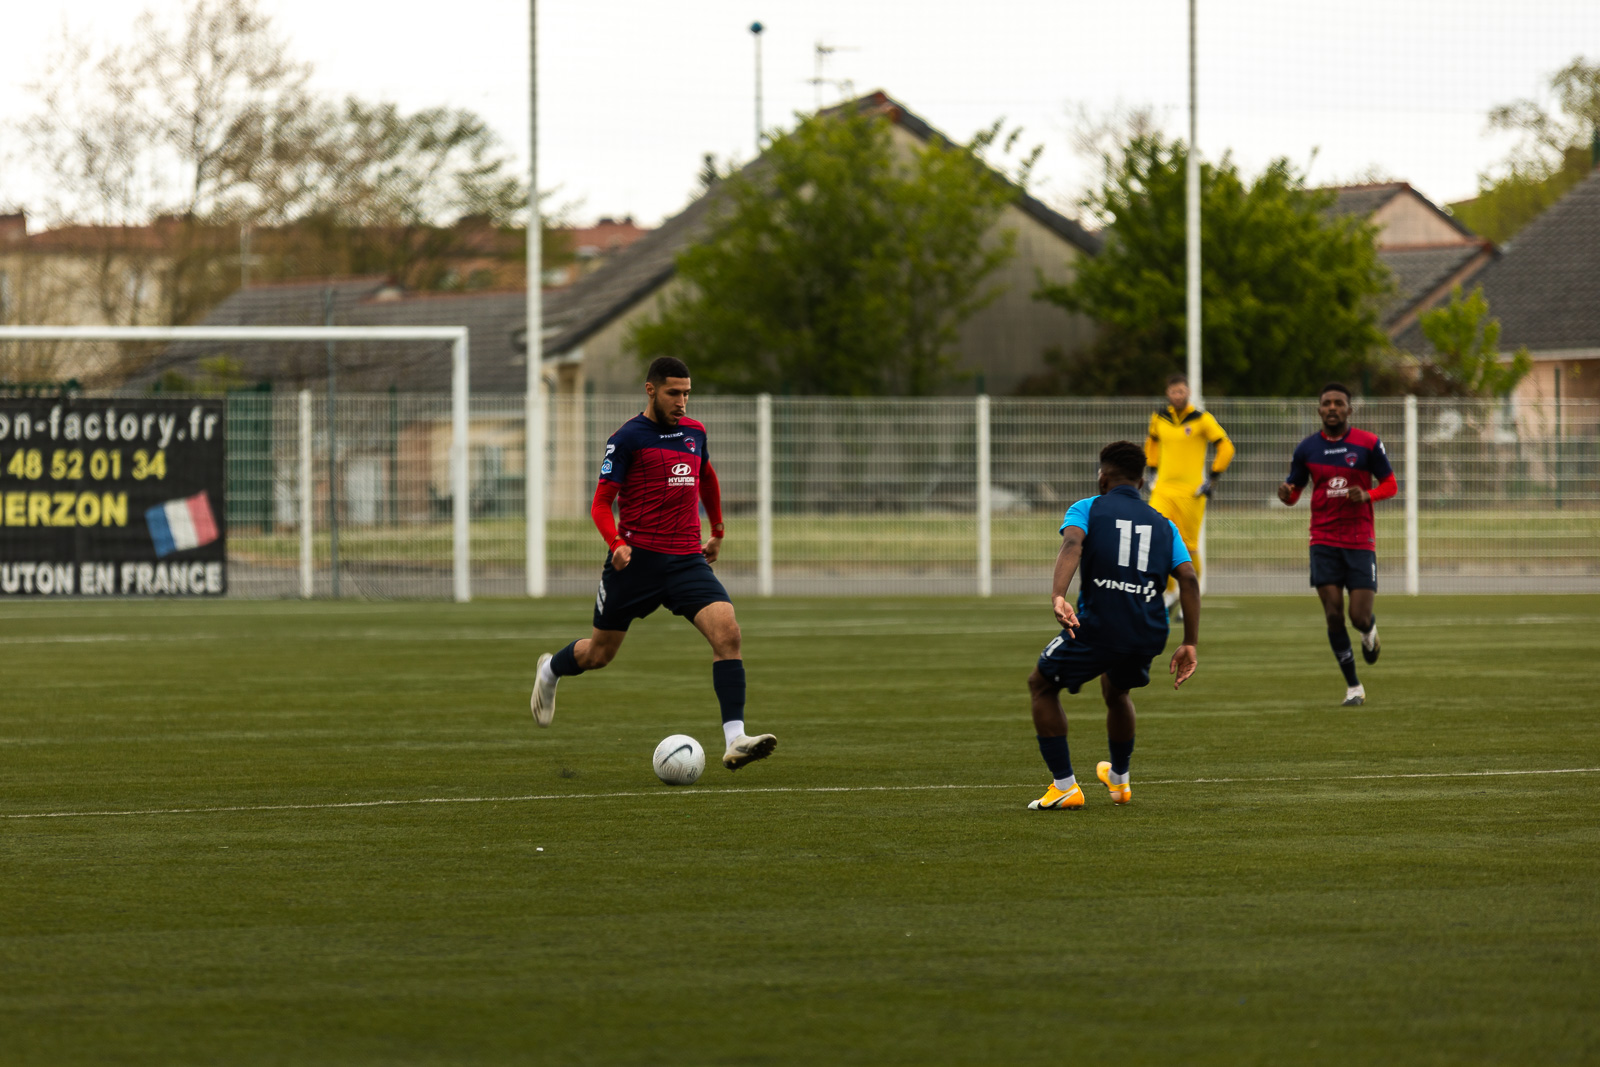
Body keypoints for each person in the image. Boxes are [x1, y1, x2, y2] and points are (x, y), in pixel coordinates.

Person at [529, 356, 778, 771]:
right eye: (673, 393)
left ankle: (735, 739)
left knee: (728, 633)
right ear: (651, 390)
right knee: (598, 655)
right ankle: (551, 670)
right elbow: (600, 503)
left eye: (686, 393)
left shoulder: (695, 432)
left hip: (686, 560)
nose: (682, 402)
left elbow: (707, 477)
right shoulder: (627, 438)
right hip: (636, 563)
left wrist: (716, 529)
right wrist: (615, 543)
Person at [1026, 441, 1201, 811]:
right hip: (1147, 632)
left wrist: (1059, 594)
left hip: (1099, 626)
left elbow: (1072, 543)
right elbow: (1188, 579)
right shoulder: (1165, 524)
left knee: (1041, 684)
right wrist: (1190, 643)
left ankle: (1064, 787)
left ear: (1102, 477)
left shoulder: (1088, 507)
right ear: (1142, 482)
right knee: (1118, 691)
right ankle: (1119, 781)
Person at [1276, 382, 1398, 707]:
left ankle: (1368, 633)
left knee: (1358, 616)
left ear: (1349, 409)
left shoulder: (1368, 443)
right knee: (1333, 615)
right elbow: (1295, 489)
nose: (1332, 408)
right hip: (1323, 539)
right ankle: (1353, 686)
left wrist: (1368, 495)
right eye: (1327, 403)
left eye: (1338, 403)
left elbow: (1391, 484)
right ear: (1319, 410)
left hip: (1360, 540)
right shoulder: (1306, 449)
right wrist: (1286, 494)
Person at [1145, 372, 1234, 614]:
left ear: (1189, 392)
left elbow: (1226, 446)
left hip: (1191, 493)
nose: (1178, 395)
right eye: (1174, 391)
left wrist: (1212, 478)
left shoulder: (1202, 419)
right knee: (1155, 539)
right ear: (1168, 394)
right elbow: (1152, 441)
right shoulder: (1159, 417)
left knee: (1188, 545)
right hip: (1162, 490)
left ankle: (1190, 597)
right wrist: (1151, 470)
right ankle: (1170, 592)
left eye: (1182, 391)